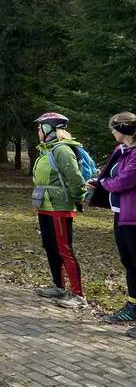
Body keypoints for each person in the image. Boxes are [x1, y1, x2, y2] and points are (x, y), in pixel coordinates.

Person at [87, 112, 136, 334]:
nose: (113, 133)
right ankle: (132, 306)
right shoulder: (123, 151)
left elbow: (124, 181)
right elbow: (112, 176)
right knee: (128, 261)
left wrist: (105, 183)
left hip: (134, 216)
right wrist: (98, 182)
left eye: (114, 128)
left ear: (125, 129)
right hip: (122, 213)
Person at [32, 112, 87, 308]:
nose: (38, 131)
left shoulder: (62, 150)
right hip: (45, 205)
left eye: (40, 128)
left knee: (65, 249)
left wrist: (77, 199)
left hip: (60, 207)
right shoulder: (47, 149)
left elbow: (76, 179)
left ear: (49, 129)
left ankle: (78, 296)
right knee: (50, 246)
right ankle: (58, 286)